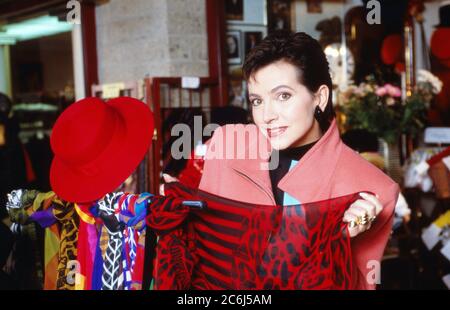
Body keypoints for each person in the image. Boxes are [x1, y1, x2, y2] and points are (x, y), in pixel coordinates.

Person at [188, 31, 400, 290]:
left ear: (320, 97)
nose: (267, 115)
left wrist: (343, 241)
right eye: (257, 101)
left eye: (283, 96)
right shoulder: (225, 145)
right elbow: (200, 250)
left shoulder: (374, 188)